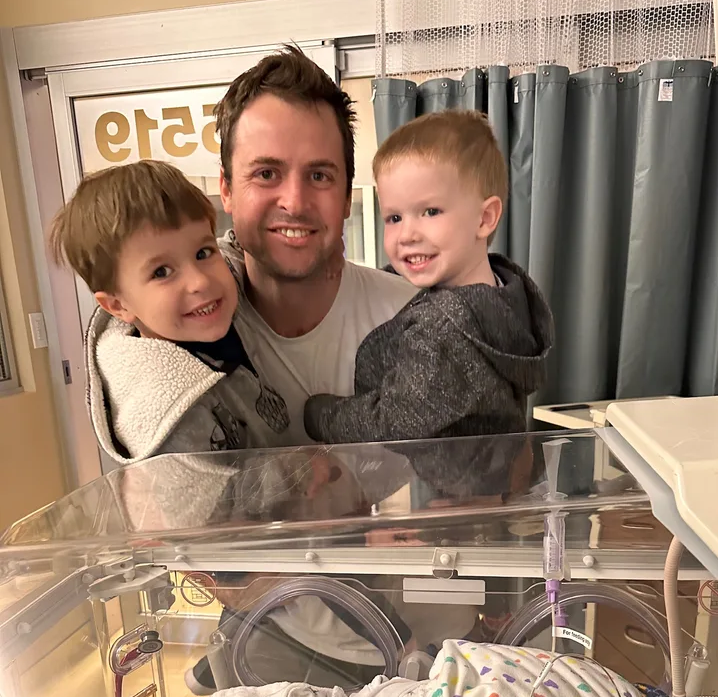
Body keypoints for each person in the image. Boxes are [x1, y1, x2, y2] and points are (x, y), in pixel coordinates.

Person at [304, 109, 553, 446]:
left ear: (485, 218)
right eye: (393, 217)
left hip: (447, 491)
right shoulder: (507, 292)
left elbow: (393, 422)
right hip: (490, 474)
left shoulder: (442, 329)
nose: (406, 234)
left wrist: (320, 414)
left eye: (430, 212)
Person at [214, 45, 414, 446]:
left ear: (345, 197)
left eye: (319, 176)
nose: (295, 202)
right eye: (267, 173)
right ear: (227, 190)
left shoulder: (415, 320)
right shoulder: (192, 330)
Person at [49, 160, 290, 463]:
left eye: (202, 253)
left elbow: (230, 250)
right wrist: (300, 476)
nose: (200, 281)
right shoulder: (162, 412)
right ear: (118, 305)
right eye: (162, 272)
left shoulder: (205, 301)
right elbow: (206, 502)